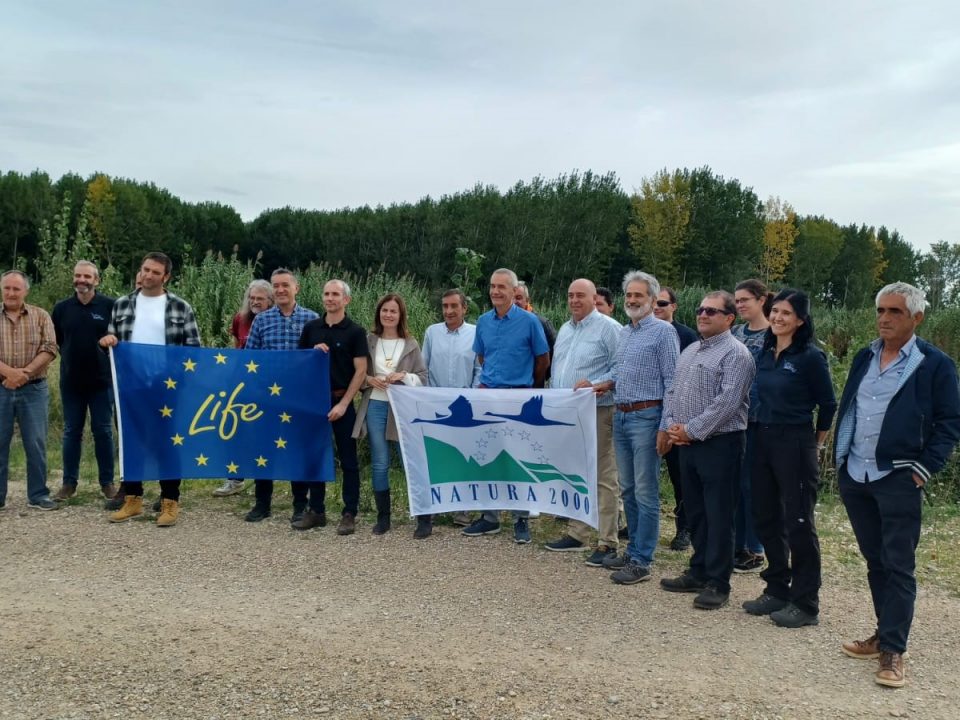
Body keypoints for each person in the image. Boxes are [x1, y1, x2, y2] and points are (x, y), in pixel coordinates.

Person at [835, 282, 960, 688]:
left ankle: (893, 651)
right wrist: (839, 461)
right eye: (880, 310)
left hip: (898, 476)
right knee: (876, 561)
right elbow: (850, 407)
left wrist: (923, 469)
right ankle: (882, 634)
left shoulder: (934, 364)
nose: (884, 319)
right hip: (857, 474)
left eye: (895, 312)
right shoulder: (863, 356)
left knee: (899, 565)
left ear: (917, 318)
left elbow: (949, 424)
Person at [742, 289, 836, 628]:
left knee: (798, 522)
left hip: (795, 440)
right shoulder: (765, 352)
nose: (779, 318)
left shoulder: (811, 357)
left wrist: (817, 444)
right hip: (761, 436)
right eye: (775, 311)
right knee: (766, 516)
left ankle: (806, 602)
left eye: (786, 313)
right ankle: (777, 588)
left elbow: (828, 404)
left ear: (800, 320)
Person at [658, 291, 755, 610]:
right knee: (696, 511)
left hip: (720, 444)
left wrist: (692, 430)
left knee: (719, 514)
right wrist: (673, 426)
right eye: (701, 309)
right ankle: (698, 570)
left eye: (712, 311)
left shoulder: (736, 354)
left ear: (729, 318)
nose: (703, 314)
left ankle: (718, 582)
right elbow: (673, 390)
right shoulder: (690, 351)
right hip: (686, 443)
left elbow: (727, 403)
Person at [100, 252, 201, 527]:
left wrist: (176, 378)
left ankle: (170, 502)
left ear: (166, 276)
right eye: (145, 269)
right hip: (129, 386)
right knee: (130, 442)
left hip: (165, 387)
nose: (148, 275)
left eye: (155, 272)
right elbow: (112, 340)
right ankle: (132, 499)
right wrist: (107, 340)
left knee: (167, 443)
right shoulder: (122, 304)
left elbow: (194, 350)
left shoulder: (181, 307)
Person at [603, 271, 679, 586]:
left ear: (651, 299)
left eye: (639, 296)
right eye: (629, 295)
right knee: (629, 489)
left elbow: (673, 382)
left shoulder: (663, 332)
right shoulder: (624, 333)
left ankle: (642, 560)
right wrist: (597, 385)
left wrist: (666, 426)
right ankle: (633, 549)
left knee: (646, 492)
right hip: (622, 415)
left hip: (648, 417)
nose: (633, 300)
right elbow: (619, 373)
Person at [463, 268, 549, 544]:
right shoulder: (484, 322)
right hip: (488, 395)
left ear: (514, 292)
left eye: (502, 287)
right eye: (492, 286)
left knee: (517, 458)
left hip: (517, 396)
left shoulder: (529, 321)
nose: (495, 291)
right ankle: (489, 518)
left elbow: (543, 361)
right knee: (486, 454)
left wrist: (529, 391)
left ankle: (521, 518)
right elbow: (481, 358)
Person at [543, 279, 621, 566]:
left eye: (580, 295)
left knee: (603, 475)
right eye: (570, 295)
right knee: (574, 472)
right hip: (568, 413)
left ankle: (607, 541)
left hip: (598, 410)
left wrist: (599, 383)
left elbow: (621, 368)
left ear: (593, 298)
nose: (574, 300)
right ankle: (577, 533)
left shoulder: (610, 329)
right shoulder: (565, 329)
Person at [243, 269, 319, 525]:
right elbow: (249, 359)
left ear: (296, 288)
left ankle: (300, 504)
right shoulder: (262, 321)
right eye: (276, 286)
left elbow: (317, 361)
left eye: (285, 285)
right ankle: (262, 503)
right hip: (267, 398)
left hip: (298, 399)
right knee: (264, 449)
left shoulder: (312, 319)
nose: (280, 290)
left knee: (297, 449)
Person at [351, 293, 428, 535]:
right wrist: (368, 379)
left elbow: (423, 379)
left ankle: (424, 517)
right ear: (379, 313)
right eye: (385, 310)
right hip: (375, 405)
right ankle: (383, 517)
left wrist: (403, 376)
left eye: (393, 311)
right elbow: (357, 373)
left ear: (400, 315)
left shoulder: (411, 344)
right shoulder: (369, 340)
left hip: (402, 409)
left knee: (409, 462)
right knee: (380, 463)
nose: (388, 315)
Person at [297, 279, 368, 535]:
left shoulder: (356, 332)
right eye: (326, 293)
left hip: (342, 401)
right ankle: (316, 510)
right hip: (314, 403)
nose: (330, 298)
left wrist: (344, 403)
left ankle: (349, 512)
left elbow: (361, 371)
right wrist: (311, 353)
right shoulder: (310, 328)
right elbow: (299, 364)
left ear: (346, 299)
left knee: (349, 460)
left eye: (335, 294)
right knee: (315, 456)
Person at [51, 261, 117, 501]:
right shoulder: (61, 308)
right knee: (71, 432)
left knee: (103, 431)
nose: (81, 280)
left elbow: (119, 337)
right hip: (71, 382)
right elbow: (56, 339)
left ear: (96, 280)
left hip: (102, 382)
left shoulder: (110, 306)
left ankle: (107, 483)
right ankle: (68, 483)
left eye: (87, 276)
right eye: (78, 275)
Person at [420, 288, 481, 533]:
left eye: (454, 306)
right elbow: (424, 367)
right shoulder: (432, 333)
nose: (449, 311)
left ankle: (462, 509)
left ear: (464, 308)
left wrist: (472, 396)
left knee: (463, 455)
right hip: (437, 405)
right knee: (438, 455)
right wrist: (429, 397)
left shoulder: (476, 333)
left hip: (465, 405)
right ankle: (435, 505)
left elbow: (479, 370)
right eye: (445, 306)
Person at [0, 270, 58, 511]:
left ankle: (38, 494)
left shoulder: (41, 315)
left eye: (16, 289)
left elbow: (50, 347)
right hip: (1, 387)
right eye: (7, 288)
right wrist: (9, 373)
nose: (11, 293)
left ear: (26, 291)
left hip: (33, 389)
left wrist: (24, 373)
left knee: (35, 442)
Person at [212, 279, 274, 497]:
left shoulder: (274, 320)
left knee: (264, 432)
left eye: (260, 298)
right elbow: (237, 346)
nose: (255, 302)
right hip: (241, 383)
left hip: (268, 386)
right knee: (236, 428)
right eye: (252, 298)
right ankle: (234, 478)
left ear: (270, 301)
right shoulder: (241, 318)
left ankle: (264, 477)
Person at [731, 278, 774, 573]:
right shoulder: (735, 332)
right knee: (735, 484)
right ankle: (736, 543)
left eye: (745, 299)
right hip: (732, 417)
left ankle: (755, 548)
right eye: (737, 301)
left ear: (761, 300)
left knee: (753, 485)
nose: (740, 305)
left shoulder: (773, 333)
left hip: (760, 417)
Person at [652, 285, 698, 551]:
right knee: (643, 475)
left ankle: (685, 528)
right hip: (646, 412)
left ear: (673, 307)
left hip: (675, 414)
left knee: (680, 476)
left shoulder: (687, 336)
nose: (657, 307)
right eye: (654, 303)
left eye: (662, 303)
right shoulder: (639, 332)